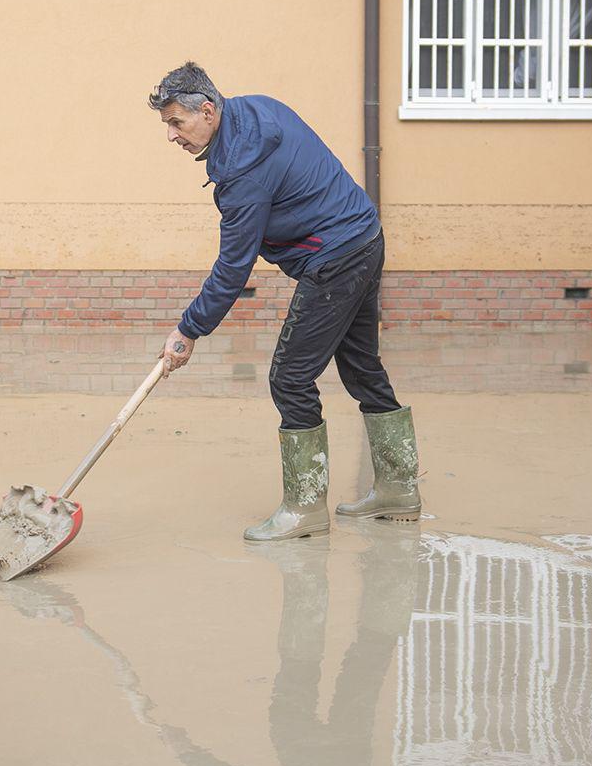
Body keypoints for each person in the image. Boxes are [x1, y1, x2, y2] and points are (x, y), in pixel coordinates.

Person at [149, 62, 421, 541]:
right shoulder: (257, 109)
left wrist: (189, 329)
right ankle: (398, 489)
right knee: (360, 365)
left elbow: (233, 268)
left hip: (336, 257)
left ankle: (305, 508)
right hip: (363, 235)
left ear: (208, 110)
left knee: (290, 378)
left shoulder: (241, 171)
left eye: (176, 122)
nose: (171, 136)